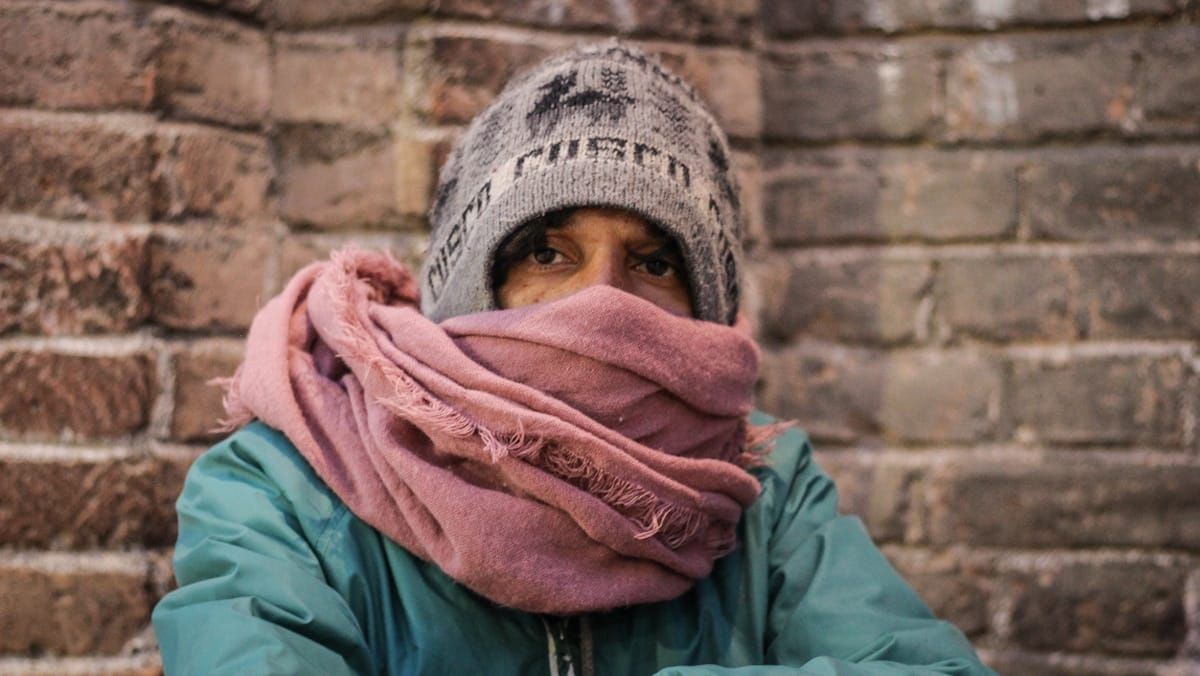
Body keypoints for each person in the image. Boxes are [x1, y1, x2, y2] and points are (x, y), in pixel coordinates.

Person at [151, 39, 997, 675]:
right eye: (548, 254)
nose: (604, 303)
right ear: (468, 285)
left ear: (706, 307)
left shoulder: (759, 487)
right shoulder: (283, 487)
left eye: (654, 262)